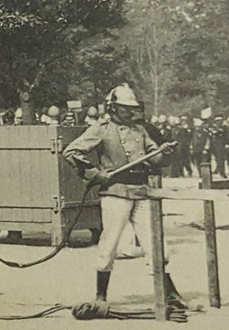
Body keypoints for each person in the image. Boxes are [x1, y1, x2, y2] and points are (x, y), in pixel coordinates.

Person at [63, 83, 186, 312]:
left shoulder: (140, 130)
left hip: (141, 191)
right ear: (113, 108)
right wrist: (95, 173)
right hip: (115, 192)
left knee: (155, 242)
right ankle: (101, 296)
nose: (129, 112)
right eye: (124, 108)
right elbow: (71, 152)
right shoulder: (101, 129)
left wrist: (163, 154)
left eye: (131, 108)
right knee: (109, 244)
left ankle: (169, 294)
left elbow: (153, 158)